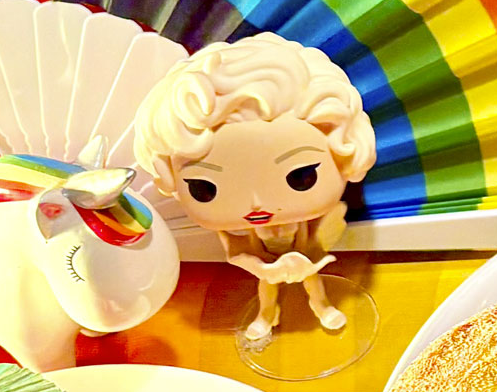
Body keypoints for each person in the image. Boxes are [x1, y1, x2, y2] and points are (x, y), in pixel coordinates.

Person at [133, 34, 375, 344]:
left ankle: (322, 306)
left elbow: (315, 231)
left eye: (300, 177)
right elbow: (236, 244)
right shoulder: (247, 227)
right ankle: (267, 315)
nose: (257, 204)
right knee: (266, 288)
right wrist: (258, 262)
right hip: (265, 261)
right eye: (205, 189)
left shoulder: (300, 218)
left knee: (312, 281)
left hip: (302, 255)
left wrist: (306, 251)